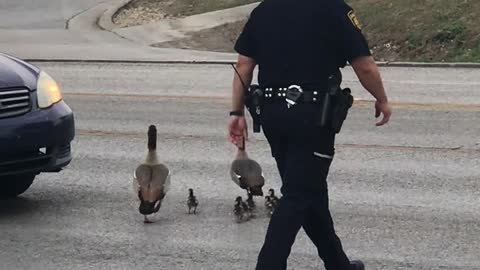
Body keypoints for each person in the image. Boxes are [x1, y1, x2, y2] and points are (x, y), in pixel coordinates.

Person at [227, 0, 392, 269]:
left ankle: (337, 263)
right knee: (298, 194)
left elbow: (244, 65)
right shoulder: (333, 9)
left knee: (309, 190)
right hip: (311, 118)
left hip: (272, 115)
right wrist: (382, 98)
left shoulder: (265, 10)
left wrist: (235, 112)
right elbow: (364, 66)